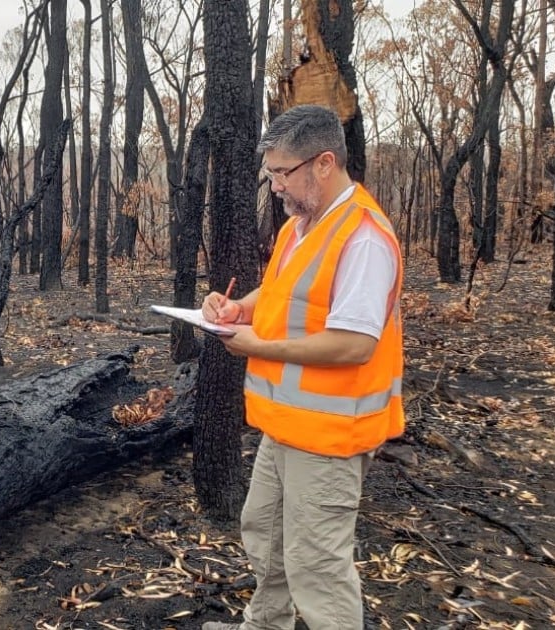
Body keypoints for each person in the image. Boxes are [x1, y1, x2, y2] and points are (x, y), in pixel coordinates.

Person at [200, 105, 404, 630]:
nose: (275, 188)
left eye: (281, 174)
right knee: (266, 536)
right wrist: (239, 309)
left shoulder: (362, 238)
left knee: (317, 567)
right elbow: (282, 293)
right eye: (269, 175)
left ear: (323, 163)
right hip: (287, 425)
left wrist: (257, 348)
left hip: (330, 434)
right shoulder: (302, 225)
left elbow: (353, 345)